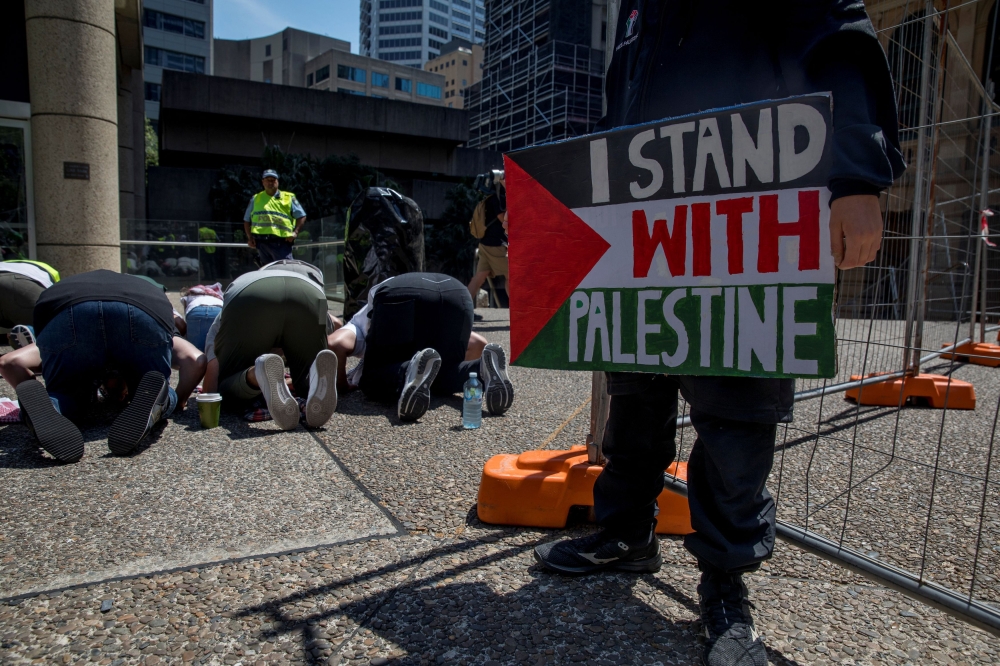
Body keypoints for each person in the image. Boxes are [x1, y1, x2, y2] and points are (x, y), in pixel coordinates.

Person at [532, 3, 905, 666]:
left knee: (736, 411)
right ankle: (624, 533)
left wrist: (854, 174)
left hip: (747, 203)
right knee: (636, 389)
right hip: (645, 211)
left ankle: (725, 586)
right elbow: (626, 92)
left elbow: (838, 33)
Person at [4, 271, 208, 463]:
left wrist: (34, 389)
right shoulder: (146, 290)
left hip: (66, 308)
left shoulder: (77, 287)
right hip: (143, 309)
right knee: (158, 387)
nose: (118, 397)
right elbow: (195, 359)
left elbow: (9, 362)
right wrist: (177, 401)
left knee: (65, 394)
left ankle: (50, 405)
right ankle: (160, 398)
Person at [327, 272, 514, 422]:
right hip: (457, 293)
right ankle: (481, 369)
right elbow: (479, 344)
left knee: (371, 379)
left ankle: (406, 370)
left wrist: (342, 386)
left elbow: (334, 343)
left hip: (399, 292)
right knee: (440, 374)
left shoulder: (357, 324)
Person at [201, 260, 339, 430]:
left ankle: (255, 374)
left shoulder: (250, 280)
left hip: (251, 293)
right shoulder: (312, 281)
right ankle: (315, 380)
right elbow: (332, 328)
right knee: (306, 380)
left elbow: (211, 380)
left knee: (226, 388)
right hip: (312, 294)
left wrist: (210, 393)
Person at [243, 169, 307, 265]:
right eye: (268, 180)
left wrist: (295, 232)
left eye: (273, 180)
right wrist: (250, 238)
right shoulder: (256, 198)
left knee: (286, 271)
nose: (270, 182)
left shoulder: (288, 197)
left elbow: (301, 216)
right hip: (261, 244)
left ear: (277, 181)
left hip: (281, 243)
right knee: (267, 274)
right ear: (263, 182)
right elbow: (246, 220)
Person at [467, 172, 509, 304]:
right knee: (512, 276)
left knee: (478, 278)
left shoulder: (488, 199)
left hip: (485, 244)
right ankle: (518, 311)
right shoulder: (497, 199)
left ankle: (462, 307)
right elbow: (503, 219)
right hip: (497, 246)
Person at [0, 259, 60, 348]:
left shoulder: (8, 264)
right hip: (22, 286)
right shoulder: (52, 280)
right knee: (53, 336)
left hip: (14, 281)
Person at [179, 283, 224, 352]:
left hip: (196, 311)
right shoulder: (217, 296)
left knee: (195, 351)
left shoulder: (190, 296)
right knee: (215, 349)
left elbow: (186, 314)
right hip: (218, 310)